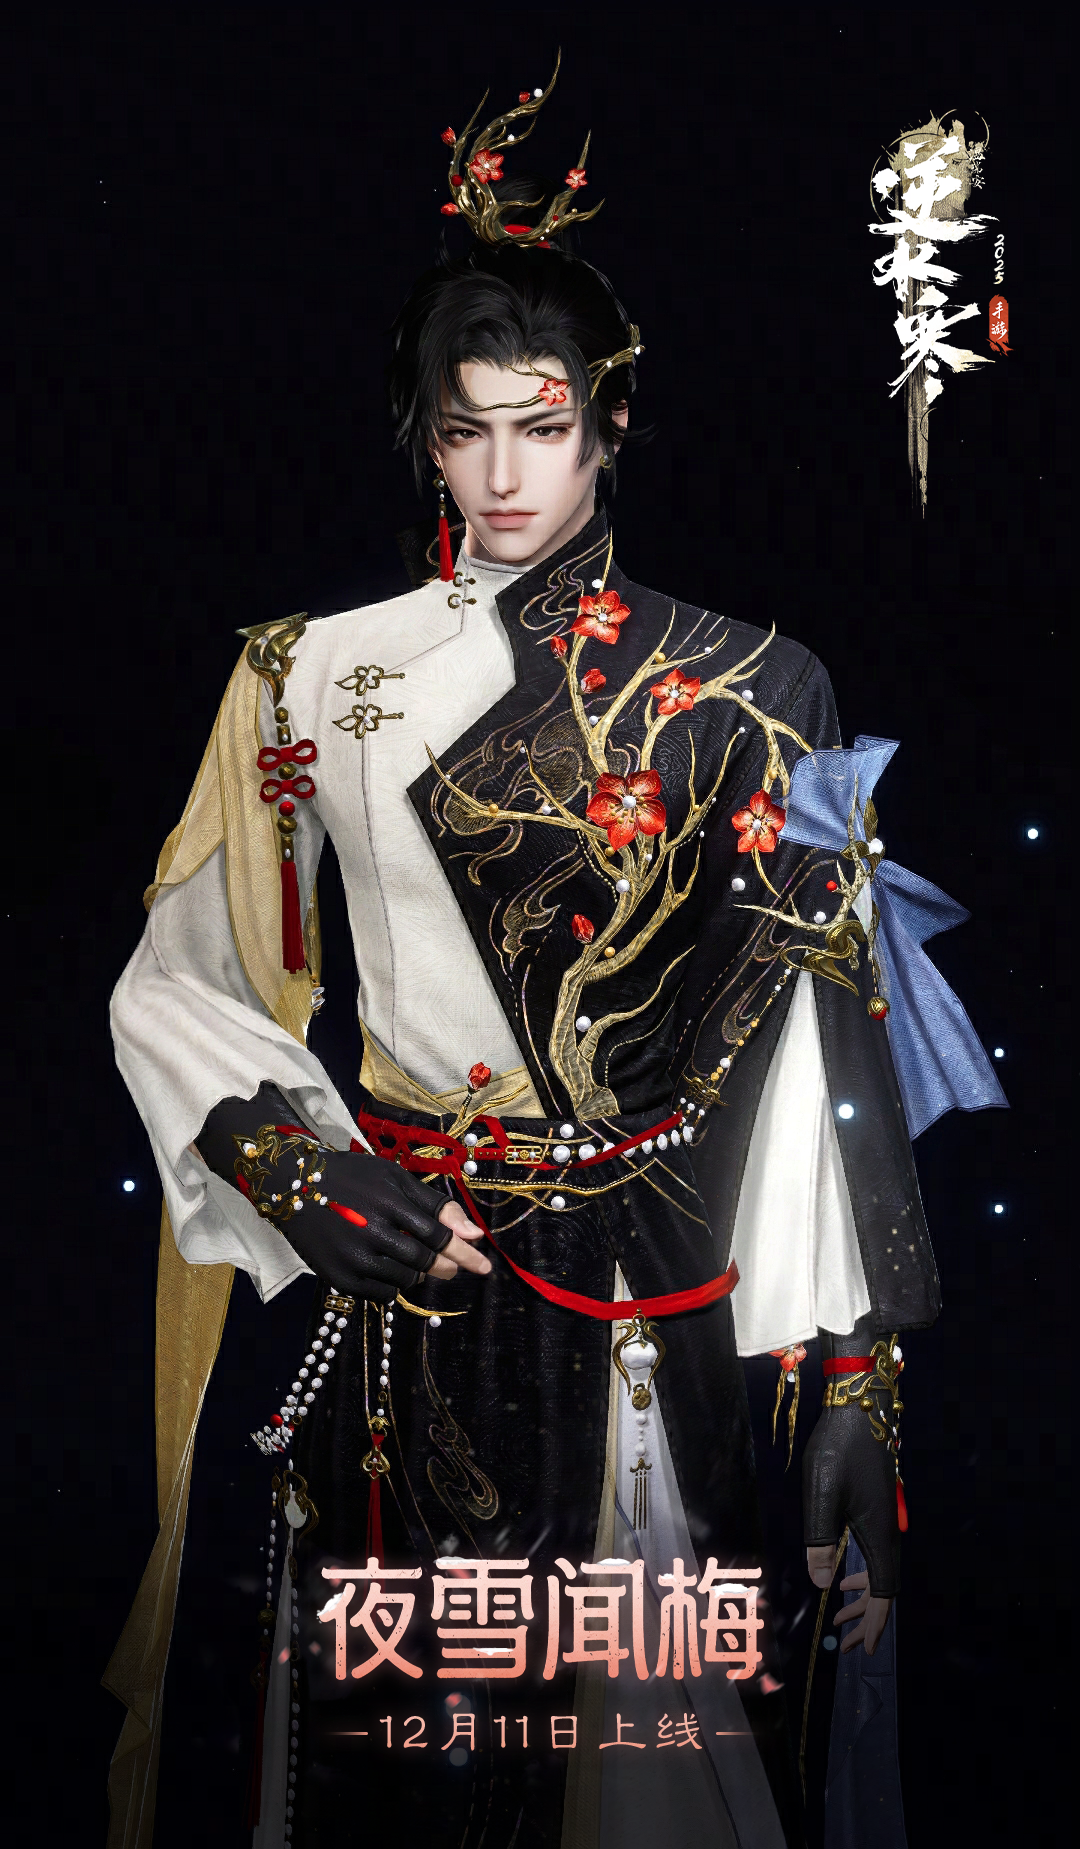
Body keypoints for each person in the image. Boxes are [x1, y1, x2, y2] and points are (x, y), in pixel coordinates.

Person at [107, 64, 1005, 1849]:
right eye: (468, 431)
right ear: (425, 437)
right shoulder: (308, 679)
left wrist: (853, 1383)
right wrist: (292, 1161)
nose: (507, 473)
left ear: (611, 424)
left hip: (658, 1297)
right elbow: (178, 976)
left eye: (545, 425)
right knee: (411, 1759)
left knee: (656, 1742)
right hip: (411, 1270)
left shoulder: (755, 688)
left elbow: (809, 1056)